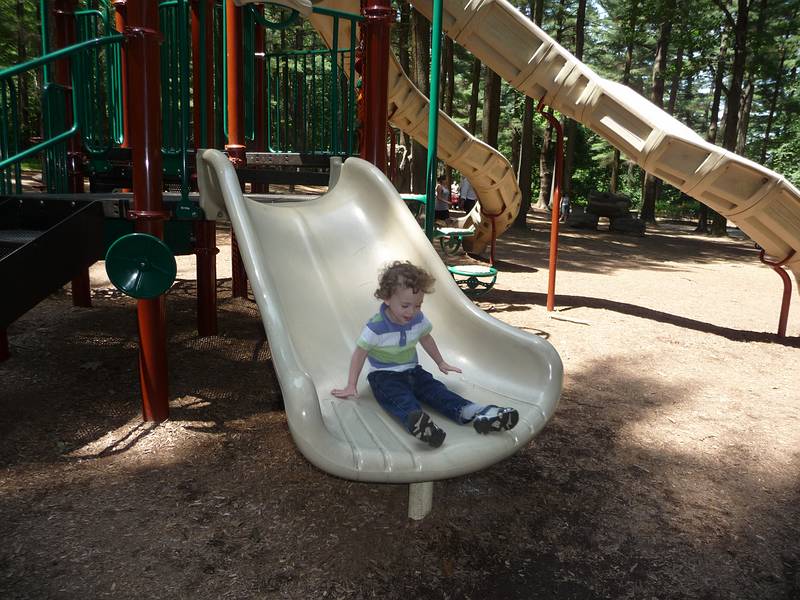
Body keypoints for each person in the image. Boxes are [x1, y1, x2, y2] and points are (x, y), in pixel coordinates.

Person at [331, 261, 519, 447]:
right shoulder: (376, 326)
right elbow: (359, 353)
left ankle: (480, 413)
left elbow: (426, 338)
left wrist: (440, 362)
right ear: (387, 299)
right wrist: (351, 384)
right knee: (400, 399)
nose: (412, 312)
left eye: (418, 305)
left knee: (438, 391)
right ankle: (423, 426)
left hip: (414, 371)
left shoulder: (417, 319)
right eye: (405, 305)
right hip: (384, 376)